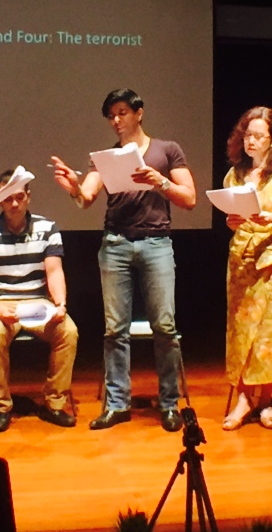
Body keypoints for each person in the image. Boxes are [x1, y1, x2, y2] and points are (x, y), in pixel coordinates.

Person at [50, 88, 196, 432]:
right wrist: (73, 185)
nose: (116, 121)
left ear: (138, 113)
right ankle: (117, 404)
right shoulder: (106, 156)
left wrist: (159, 181)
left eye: (121, 113)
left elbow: (189, 198)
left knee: (165, 327)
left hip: (156, 243)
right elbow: (87, 197)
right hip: (115, 244)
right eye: (111, 116)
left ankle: (169, 403)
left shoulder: (167, 150)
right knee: (115, 330)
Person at [0, 169, 79, 432]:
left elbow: (54, 271)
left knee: (69, 332)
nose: (15, 203)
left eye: (19, 197)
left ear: (28, 197)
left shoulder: (47, 228)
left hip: (37, 302)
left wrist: (60, 304)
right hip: (0, 303)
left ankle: (54, 403)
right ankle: (1, 406)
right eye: (8, 198)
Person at [221, 106, 272, 431]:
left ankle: (266, 399)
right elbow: (232, 220)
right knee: (240, 330)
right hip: (242, 258)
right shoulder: (235, 175)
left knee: (269, 332)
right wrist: (232, 221)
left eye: (258, 135)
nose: (251, 141)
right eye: (247, 135)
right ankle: (243, 399)